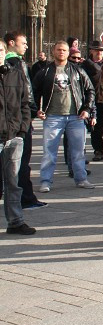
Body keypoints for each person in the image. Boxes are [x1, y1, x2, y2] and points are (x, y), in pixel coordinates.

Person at [33, 41, 95, 192]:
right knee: (49, 152)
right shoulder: (45, 71)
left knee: (78, 151)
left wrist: (87, 108)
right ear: (53, 52)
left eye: (64, 50)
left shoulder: (77, 70)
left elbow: (90, 90)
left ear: (69, 53)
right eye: (59, 50)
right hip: (53, 117)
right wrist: (36, 109)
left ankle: (81, 179)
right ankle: (45, 181)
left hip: (75, 116)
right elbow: (33, 92)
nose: (61, 52)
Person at [2, 31, 44, 209]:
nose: (27, 46)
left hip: (15, 122)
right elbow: (26, 95)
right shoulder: (17, 64)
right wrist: (29, 117)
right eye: (23, 42)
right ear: (11, 43)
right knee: (19, 166)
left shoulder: (13, 65)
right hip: (16, 124)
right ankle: (26, 198)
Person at [0, 41, 36, 235]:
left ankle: (15, 221)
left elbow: (25, 103)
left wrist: (22, 128)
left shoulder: (16, 74)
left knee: (13, 181)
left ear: (6, 52)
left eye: (0, 50)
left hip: (14, 136)